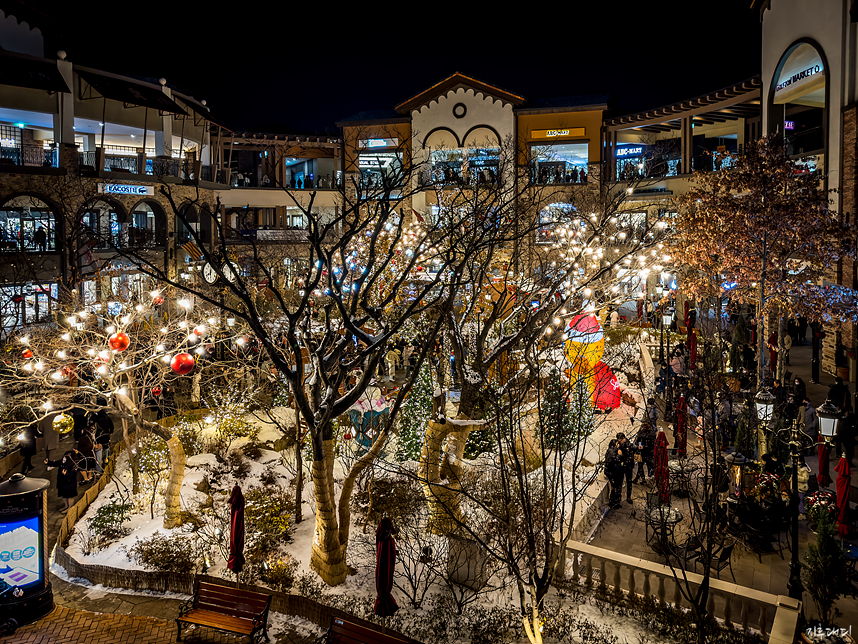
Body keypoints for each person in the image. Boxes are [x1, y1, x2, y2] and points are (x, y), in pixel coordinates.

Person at [45, 450, 84, 514]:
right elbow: (56, 463)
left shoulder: (74, 464)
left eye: (65, 457)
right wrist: (48, 463)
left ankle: (70, 508)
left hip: (70, 484)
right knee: (64, 495)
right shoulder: (63, 462)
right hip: (62, 482)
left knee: (70, 496)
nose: (64, 458)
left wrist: (66, 474)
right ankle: (66, 506)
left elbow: (73, 475)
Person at [616, 432, 637, 504]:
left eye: (620, 439)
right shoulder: (619, 445)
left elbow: (630, 454)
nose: (620, 441)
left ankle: (628, 497)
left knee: (629, 482)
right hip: (622, 466)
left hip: (628, 466)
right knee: (620, 482)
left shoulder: (628, 445)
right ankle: (619, 497)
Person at [605, 439, 623, 509]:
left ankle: (616, 502)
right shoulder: (612, 452)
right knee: (615, 488)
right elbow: (615, 461)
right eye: (617, 444)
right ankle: (613, 503)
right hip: (613, 473)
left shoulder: (613, 451)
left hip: (615, 472)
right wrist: (619, 455)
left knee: (617, 488)